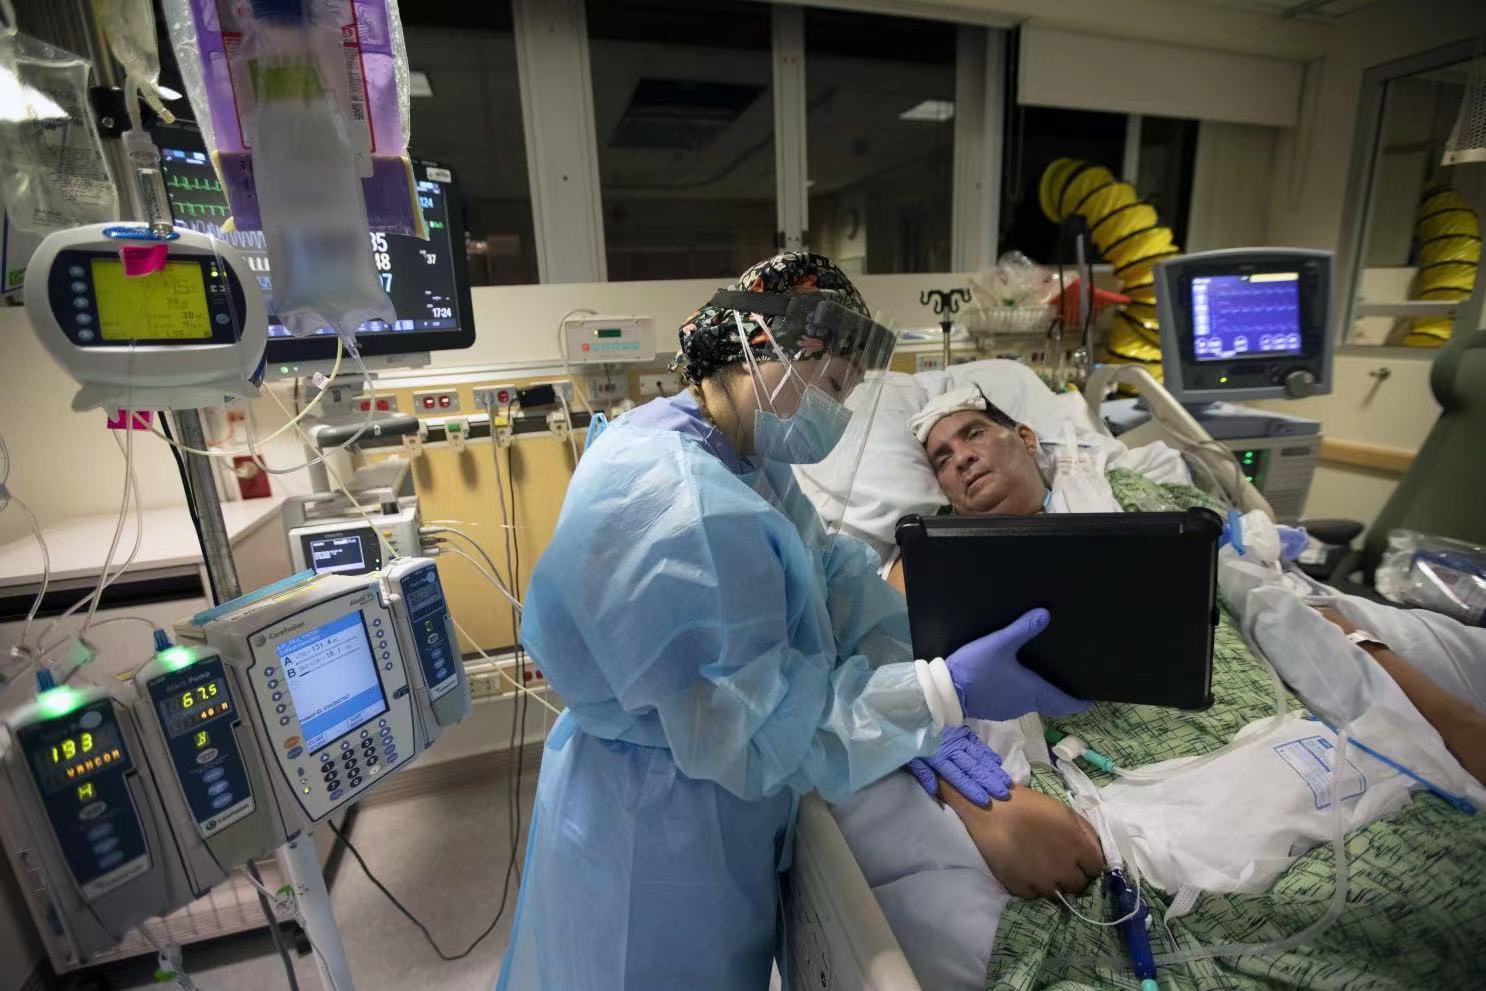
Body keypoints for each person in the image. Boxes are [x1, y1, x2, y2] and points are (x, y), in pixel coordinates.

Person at [494, 253, 1088, 991]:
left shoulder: (741, 455)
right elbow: (767, 730)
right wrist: (939, 693)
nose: (839, 412)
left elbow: (831, 577)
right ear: (764, 347)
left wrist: (937, 644)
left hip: (709, 804)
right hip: (655, 836)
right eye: (835, 386)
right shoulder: (682, 506)